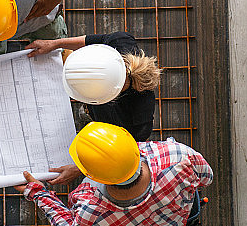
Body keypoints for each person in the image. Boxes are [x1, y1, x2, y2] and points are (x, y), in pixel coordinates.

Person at [14, 121, 212, 226]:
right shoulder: (176, 156)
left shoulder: (89, 210)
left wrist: (39, 193)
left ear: (91, 176)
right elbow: (206, 177)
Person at [25, 32, 161, 184]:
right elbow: (94, 40)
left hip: (110, 131)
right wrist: (55, 44)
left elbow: (122, 153)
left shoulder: (137, 120)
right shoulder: (120, 44)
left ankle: (89, 116)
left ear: (105, 98)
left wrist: (79, 169)